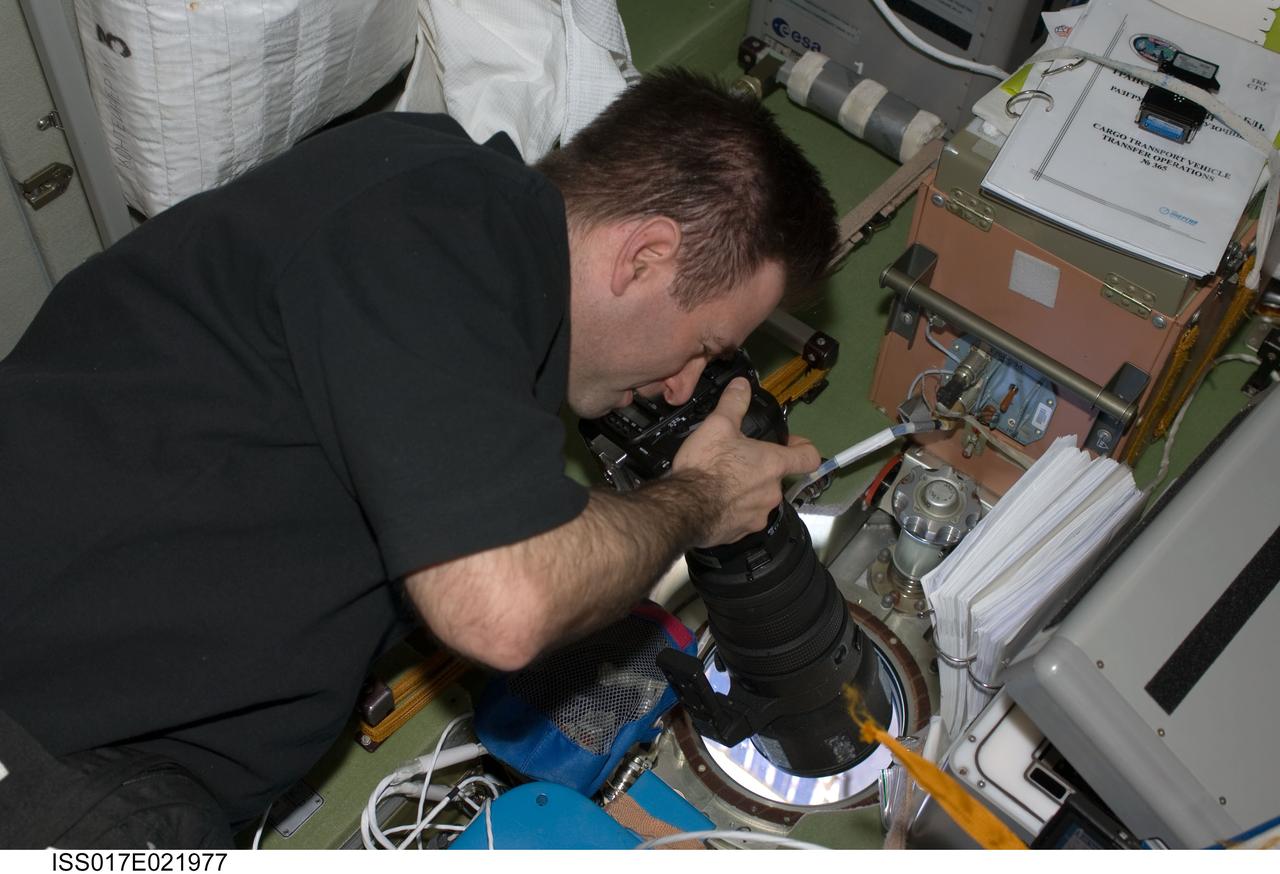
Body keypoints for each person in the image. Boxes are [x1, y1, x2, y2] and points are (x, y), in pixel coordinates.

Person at [0, 68, 838, 844]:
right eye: (705, 344)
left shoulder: (458, 249)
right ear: (645, 255)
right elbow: (502, 610)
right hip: (49, 748)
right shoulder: (446, 224)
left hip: (127, 758)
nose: (682, 384)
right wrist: (698, 496)